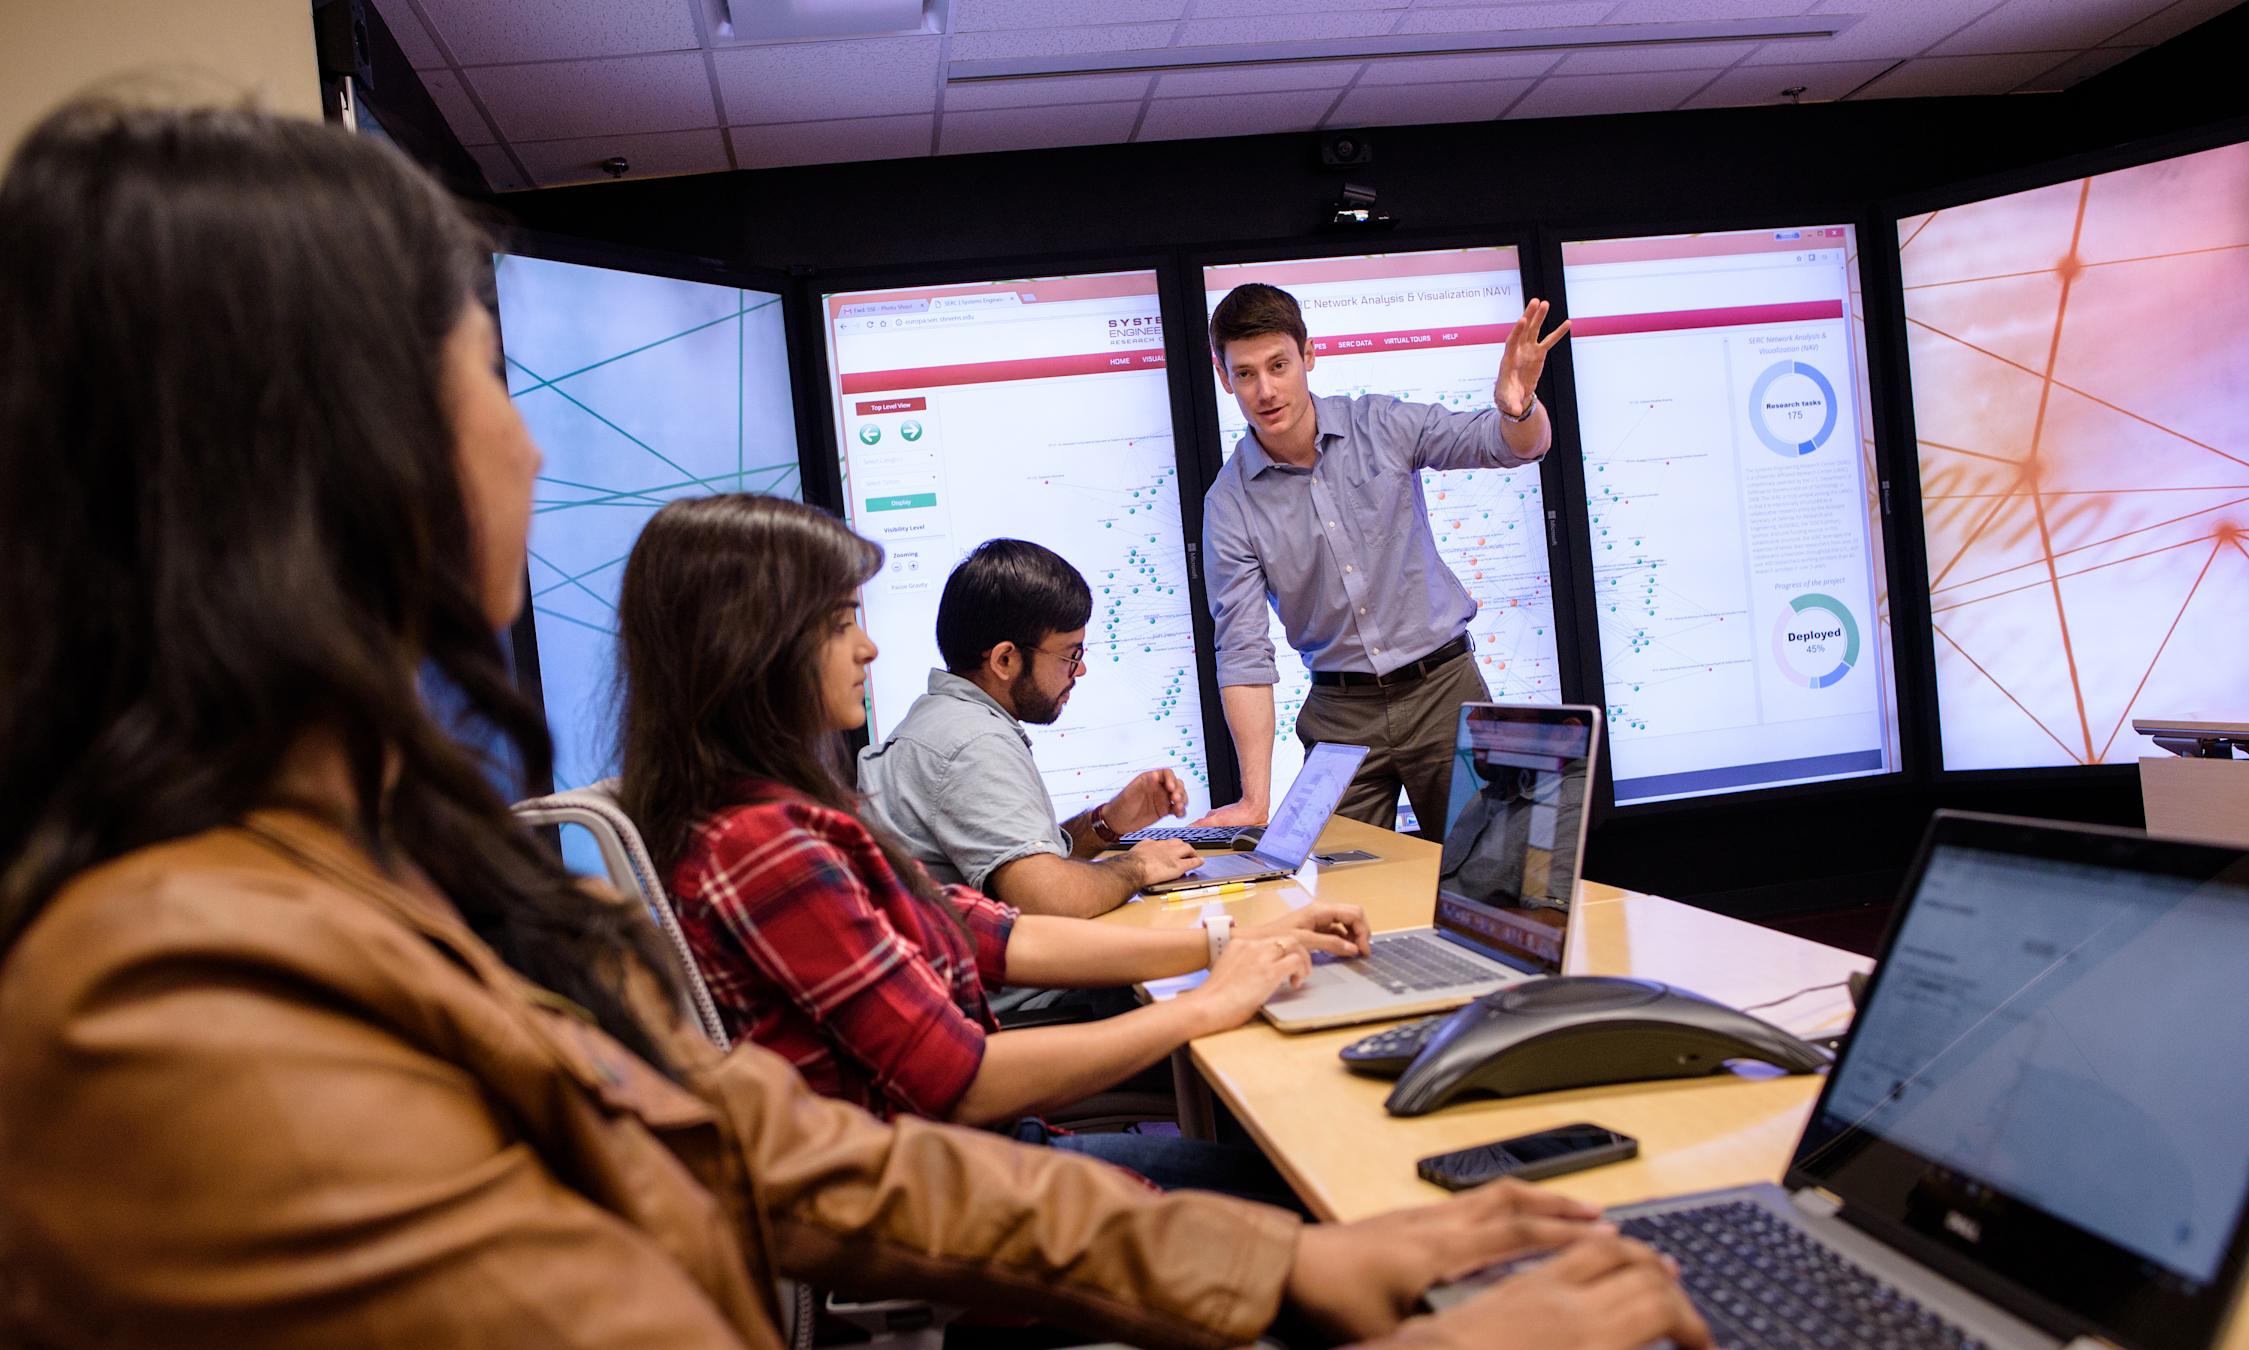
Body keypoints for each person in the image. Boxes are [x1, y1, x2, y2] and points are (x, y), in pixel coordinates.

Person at [0, 98, 1709, 1350]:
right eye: (490, 383)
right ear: (317, 459)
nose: (524, 450)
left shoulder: (353, 874)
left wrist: (1274, 1272)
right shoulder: (174, 1019)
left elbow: (781, 1152)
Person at [617, 494, 1357, 1204]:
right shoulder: (764, 845)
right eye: (840, 622)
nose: (868, 647)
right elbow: (959, 1077)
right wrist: (1206, 1003)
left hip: (954, 1154)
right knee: (1305, 1187)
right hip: (945, 1184)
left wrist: (1229, 942)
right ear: (755, 648)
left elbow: (992, 934)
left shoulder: (798, 812)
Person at [1198, 282, 1572, 832]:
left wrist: (1519, 412)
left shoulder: (1381, 424)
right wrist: (1255, 799)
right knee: (1332, 893)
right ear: (1224, 377)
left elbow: (1507, 445)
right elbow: (1243, 654)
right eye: (1246, 373)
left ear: (1307, 355)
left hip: (1444, 690)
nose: (1266, 390)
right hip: (1340, 713)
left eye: (1279, 365)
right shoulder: (1228, 504)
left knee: (1491, 877)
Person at [859, 538, 1202, 920]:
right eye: (1071, 656)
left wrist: (1108, 822)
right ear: (1006, 659)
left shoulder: (939, 721)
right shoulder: (974, 744)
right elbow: (1047, 899)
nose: (1081, 670)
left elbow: (1026, 867)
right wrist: (1139, 866)